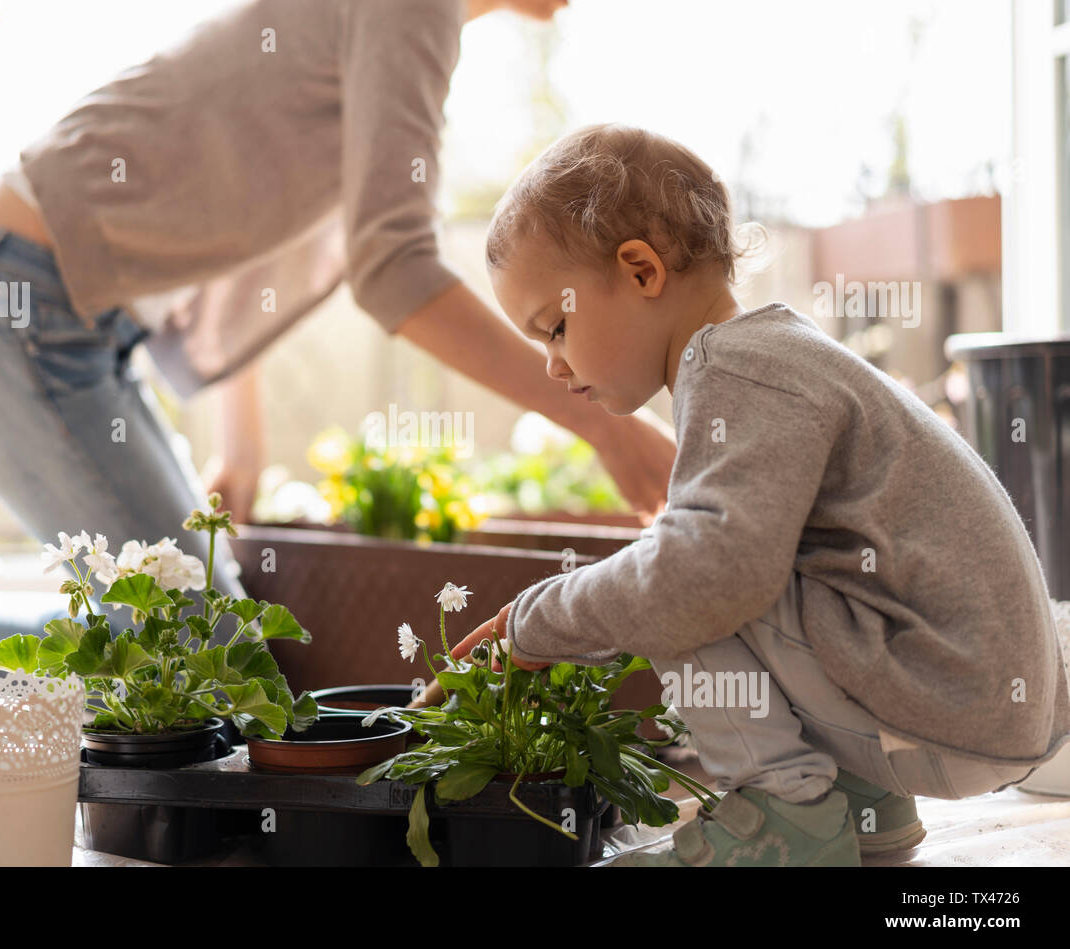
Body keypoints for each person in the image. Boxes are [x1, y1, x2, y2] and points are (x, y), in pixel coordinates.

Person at [0, 0, 677, 682]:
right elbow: (393, 269)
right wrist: (603, 425)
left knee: (200, 640)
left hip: (58, 321)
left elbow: (228, 228)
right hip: (9, 308)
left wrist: (238, 451)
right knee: (195, 656)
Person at [450, 123, 1070, 866]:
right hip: (978, 709)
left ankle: (789, 824)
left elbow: (703, 578)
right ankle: (863, 807)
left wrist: (538, 620)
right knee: (705, 555)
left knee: (685, 574)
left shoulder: (736, 369)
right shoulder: (775, 353)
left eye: (554, 327)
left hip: (949, 707)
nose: (552, 364)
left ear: (642, 270)